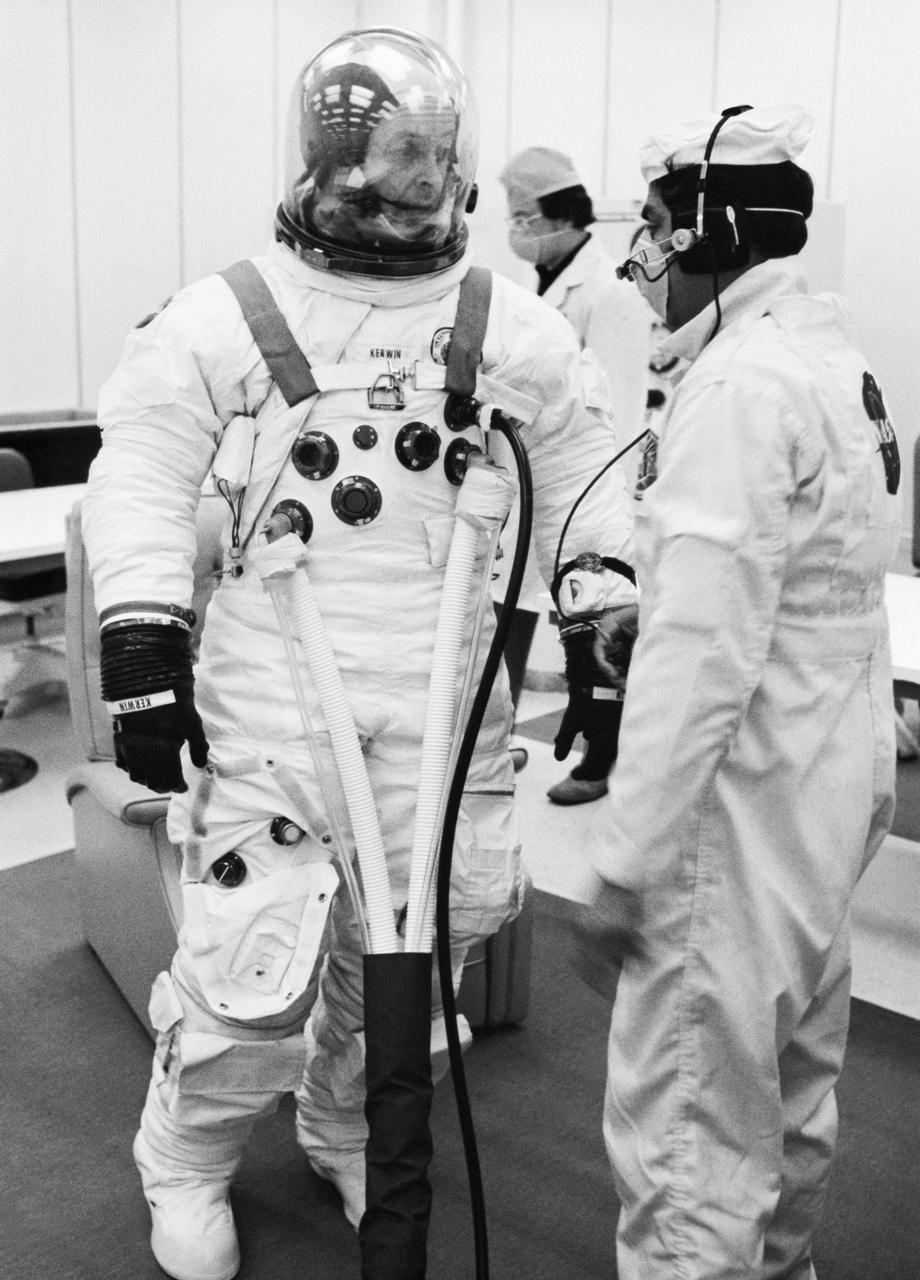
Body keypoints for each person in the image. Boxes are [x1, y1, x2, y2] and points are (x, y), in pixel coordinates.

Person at [81, 27, 637, 1280]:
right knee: (252, 960)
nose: (416, 186)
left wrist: (601, 609)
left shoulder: (503, 323)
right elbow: (145, 472)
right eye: (392, 159)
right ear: (328, 160)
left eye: (434, 159)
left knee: (418, 957)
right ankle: (186, 1156)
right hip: (278, 684)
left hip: (443, 694)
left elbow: (583, 469)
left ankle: (343, 1122)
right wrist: (143, 646)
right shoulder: (231, 313)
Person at [576, 103, 901, 1279]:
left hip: (737, 802)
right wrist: (660, 597)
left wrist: (625, 855)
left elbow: (700, 657)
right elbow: (803, 581)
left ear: (711, 234)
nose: (640, 259)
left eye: (653, 228)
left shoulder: (738, 383)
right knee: (788, 1079)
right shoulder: (830, 357)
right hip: (824, 777)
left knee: (691, 1123)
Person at [497, 146, 651, 804]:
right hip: (529, 480)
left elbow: (618, 404)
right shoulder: (539, 284)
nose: (516, 230)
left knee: (591, 621)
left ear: (561, 214)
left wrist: (605, 508)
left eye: (524, 217)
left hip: (586, 489)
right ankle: (494, 740)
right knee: (509, 610)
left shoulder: (609, 291)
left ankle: (601, 758)